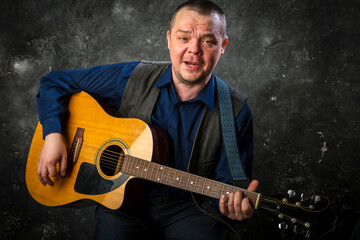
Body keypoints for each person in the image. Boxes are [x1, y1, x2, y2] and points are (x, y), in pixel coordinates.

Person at [35, 0, 259, 239]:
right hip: (123, 205)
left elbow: (229, 186)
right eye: (184, 38)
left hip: (191, 208)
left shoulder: (234, 111)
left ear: (222, 46)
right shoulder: (132, 77)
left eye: (208, 41)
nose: (194, 49)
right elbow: (54, 82)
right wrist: (53, 136)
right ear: (169, 39)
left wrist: (232, 207)